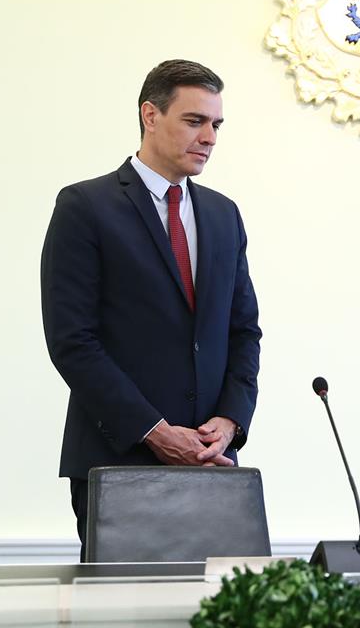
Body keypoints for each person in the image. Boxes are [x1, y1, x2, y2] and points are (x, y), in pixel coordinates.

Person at [40, 59, 261, 559]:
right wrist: (156, 432)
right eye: (194, 121)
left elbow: (244, 332)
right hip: (120, 461)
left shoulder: (224, 215)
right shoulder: (85, 206)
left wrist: (229, 421)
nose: (209, 136)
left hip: (213, 462)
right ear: (150, 115)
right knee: (123, 627)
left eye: (216, 125)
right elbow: (73, 341)